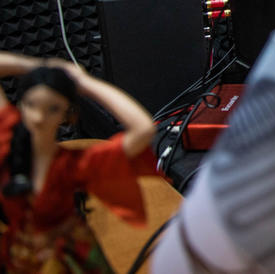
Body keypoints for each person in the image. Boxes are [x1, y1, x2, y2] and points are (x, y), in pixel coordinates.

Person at [0, 52, 157, 273]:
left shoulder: (74, 164)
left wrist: (84, 83)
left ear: (67, 115)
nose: (38, 117)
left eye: (52, 109)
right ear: (21, 104)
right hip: (21, 258)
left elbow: (143, 129)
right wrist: (37, 66)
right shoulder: (5, 140)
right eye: (30, 105)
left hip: (71, 259)